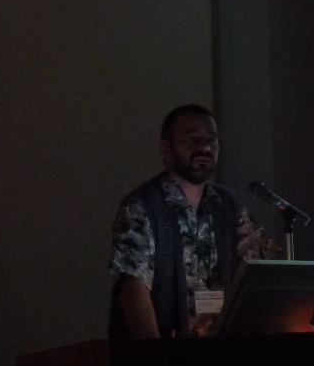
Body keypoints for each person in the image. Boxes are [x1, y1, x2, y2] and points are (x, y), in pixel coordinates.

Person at [108, 104, 279, 339]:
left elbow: (260, 270)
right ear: (166, 149)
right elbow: (133, 286)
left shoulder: (227, 204)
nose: (205, 148)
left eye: (212, 140)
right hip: (166, 351)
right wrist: (155, 355)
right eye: (192, 139)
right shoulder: (142, 205)